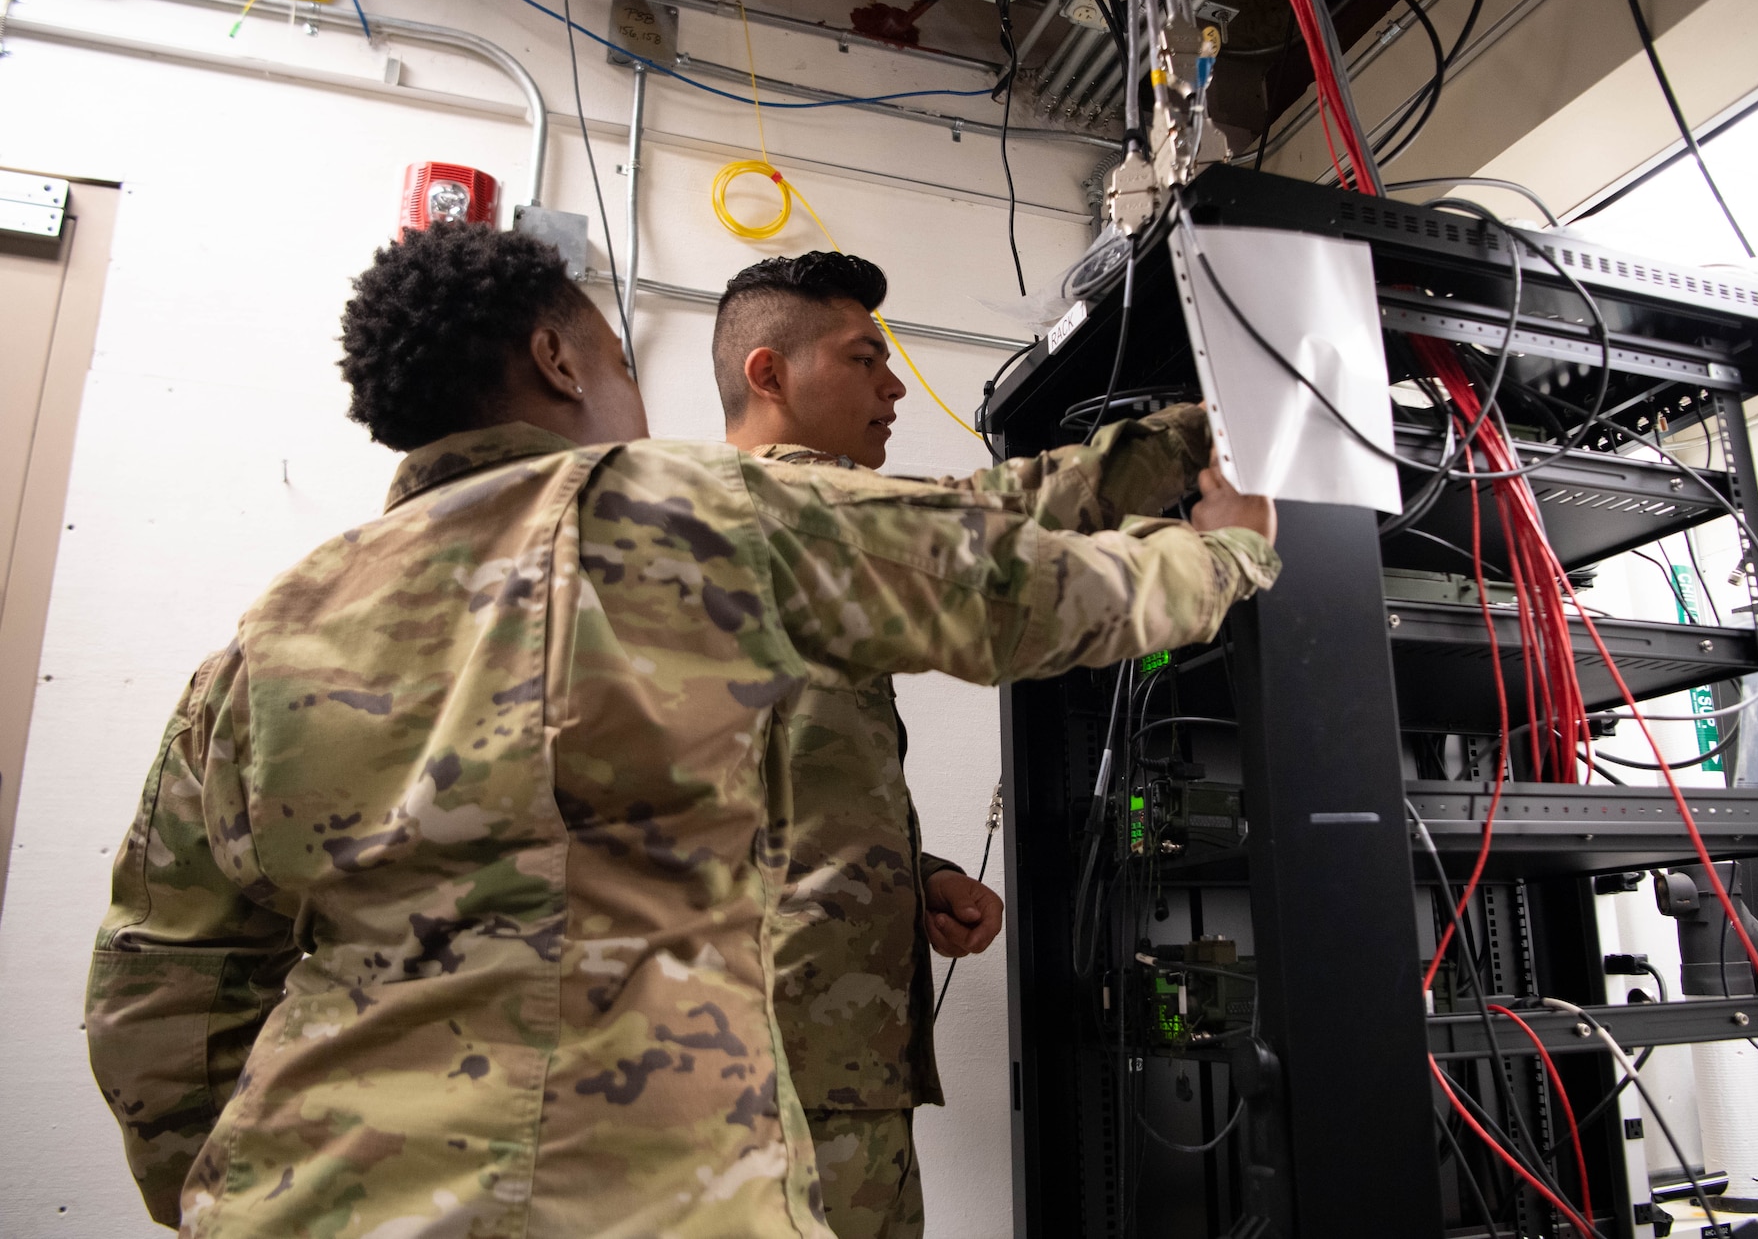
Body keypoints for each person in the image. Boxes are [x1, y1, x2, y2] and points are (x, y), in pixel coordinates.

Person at [84, 224, 1279, 1239]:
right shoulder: (681, 511)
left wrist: (230, 1187)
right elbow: (1020, 586)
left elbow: (157, 984)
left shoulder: (273, 628)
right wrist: (1226, 546)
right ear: (556, 358)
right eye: (615, 356)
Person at [711, 252, 1216, 1238]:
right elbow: (1000, 526)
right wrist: (1228, 444)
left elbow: (769, 791)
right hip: (795, 1070)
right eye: (864, 359)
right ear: (768, 373)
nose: (893, 385)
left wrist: (917, 868)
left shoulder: (732, 534)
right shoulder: (786, 512)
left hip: (801, 1059)